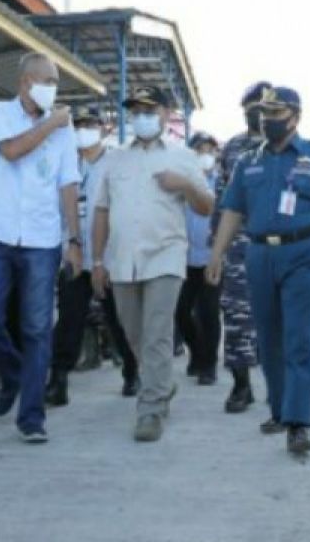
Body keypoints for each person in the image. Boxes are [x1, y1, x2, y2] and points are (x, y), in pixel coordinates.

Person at [207, 86, 310, 455]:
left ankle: (298, 422)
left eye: (276, 113)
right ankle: (279, 410)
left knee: (301, 339)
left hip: (304, 254)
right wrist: (217, 254)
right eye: (264, 113)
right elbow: (232, 211)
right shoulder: (248, 161)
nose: (268, 120)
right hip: (260, 255)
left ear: (296, 117)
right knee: (269, 339)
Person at [92, 85, 215, 442]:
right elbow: (101, 210)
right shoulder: (115, 159)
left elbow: (206, 206)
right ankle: (161, 382)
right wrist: (98, 260)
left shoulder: (182, 158)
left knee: (157, 331)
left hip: (165, 256)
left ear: (165, 113)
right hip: (122, 259)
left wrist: (184, 185)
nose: (142, 117)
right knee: (133, 333)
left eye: (150, 110)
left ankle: (151, 409)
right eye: (136, 111)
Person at [0, 53, 82, 443]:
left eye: (56, 82)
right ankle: (14, 375)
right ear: (26, 82)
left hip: (42, 240)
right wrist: (53, 123)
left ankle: (32, 417)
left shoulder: (65, 133)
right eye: (48, 80)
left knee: (37, 328)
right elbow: (13, 151)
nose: (54, 88)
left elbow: (68, 183)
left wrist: (74, 239)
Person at [47, 106, 140, 407]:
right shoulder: (64, 162)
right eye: (80, 124)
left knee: (118, 319)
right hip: (73, 254)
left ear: (102, 128)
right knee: (69, 320)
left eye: (90, 124)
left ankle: (131, 370)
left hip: (108, 257)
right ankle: (58, 379)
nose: (84, 129)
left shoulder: (115, 162)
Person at [214, 81, 271, 413]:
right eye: (252, 107)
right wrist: (217, 251)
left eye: (264, 107)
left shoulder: (293, 148)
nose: (258, 114)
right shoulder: (233, 149)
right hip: (238, 247)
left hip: (278, 247)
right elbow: (224, 203)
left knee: (277, 318)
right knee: (235, 317)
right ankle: (241, 386)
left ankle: (279, 387)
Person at [176, 132, 223, 385]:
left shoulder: (223, 182)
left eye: (209, 150)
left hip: (211, 258)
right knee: (181, 310)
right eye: (199, 150)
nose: (205, 155)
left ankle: (209, 365)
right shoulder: (183, 183)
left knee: (208, 312)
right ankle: (196, 351)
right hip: (184, 258)